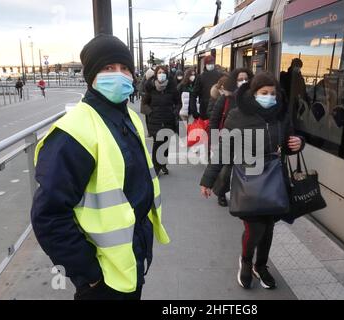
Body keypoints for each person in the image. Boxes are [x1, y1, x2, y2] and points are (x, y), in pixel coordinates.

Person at [31, 34, 170, 300]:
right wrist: (88, 274)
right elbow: (48, 216)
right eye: (108, 68)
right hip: (101, 276)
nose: (119, 74)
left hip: (130, 255)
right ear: (91, 75)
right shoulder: (73, 131)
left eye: (124, 68)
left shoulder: (129, 117)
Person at [200, 72, 304, 290]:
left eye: (273, 93)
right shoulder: (238, 115)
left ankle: (261, 266)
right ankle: (246, 261)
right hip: (248, 179)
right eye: (264, 93)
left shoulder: (282, 114)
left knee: (268, 227)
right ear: (254, 93)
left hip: (274, 179)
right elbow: (223, 151)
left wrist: (298, 143)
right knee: (255, 228)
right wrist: (208, 180)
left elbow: (288, 142)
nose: (269, 97)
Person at [208, 68, 254, 207]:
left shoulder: (254, 98)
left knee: (246, 170)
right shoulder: (226, 98)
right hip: (227, 140)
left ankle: (242, 195)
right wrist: (214, 141)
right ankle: (221, 193)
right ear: (234, 81)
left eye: (246, 79)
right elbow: (214, 119)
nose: (243, 82)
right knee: (225, 171)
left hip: (247, 142)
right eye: (240, 79)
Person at [145, 65, 180, 175]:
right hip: (155, 120)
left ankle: (163, 164)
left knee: (165, 143)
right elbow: (144, 104)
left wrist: (174, 112)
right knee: (157, 143)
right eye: (159, 72)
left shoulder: (172, 87)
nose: (161, 74)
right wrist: (151, 113)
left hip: (168, 119)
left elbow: (178, 103)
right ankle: (156, 166)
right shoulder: (151, 88)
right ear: (156, 74)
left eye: (163, 72)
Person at [189, 55, 223, 120]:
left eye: (212, 63)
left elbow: (193, 95)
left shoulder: (220, 76)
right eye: (208, 63)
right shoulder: (200, 77)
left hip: (216, 108)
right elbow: (194, 95)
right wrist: (194, 111)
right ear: (205, 64)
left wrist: (194, 112)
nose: (210, 65)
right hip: (206, 109)